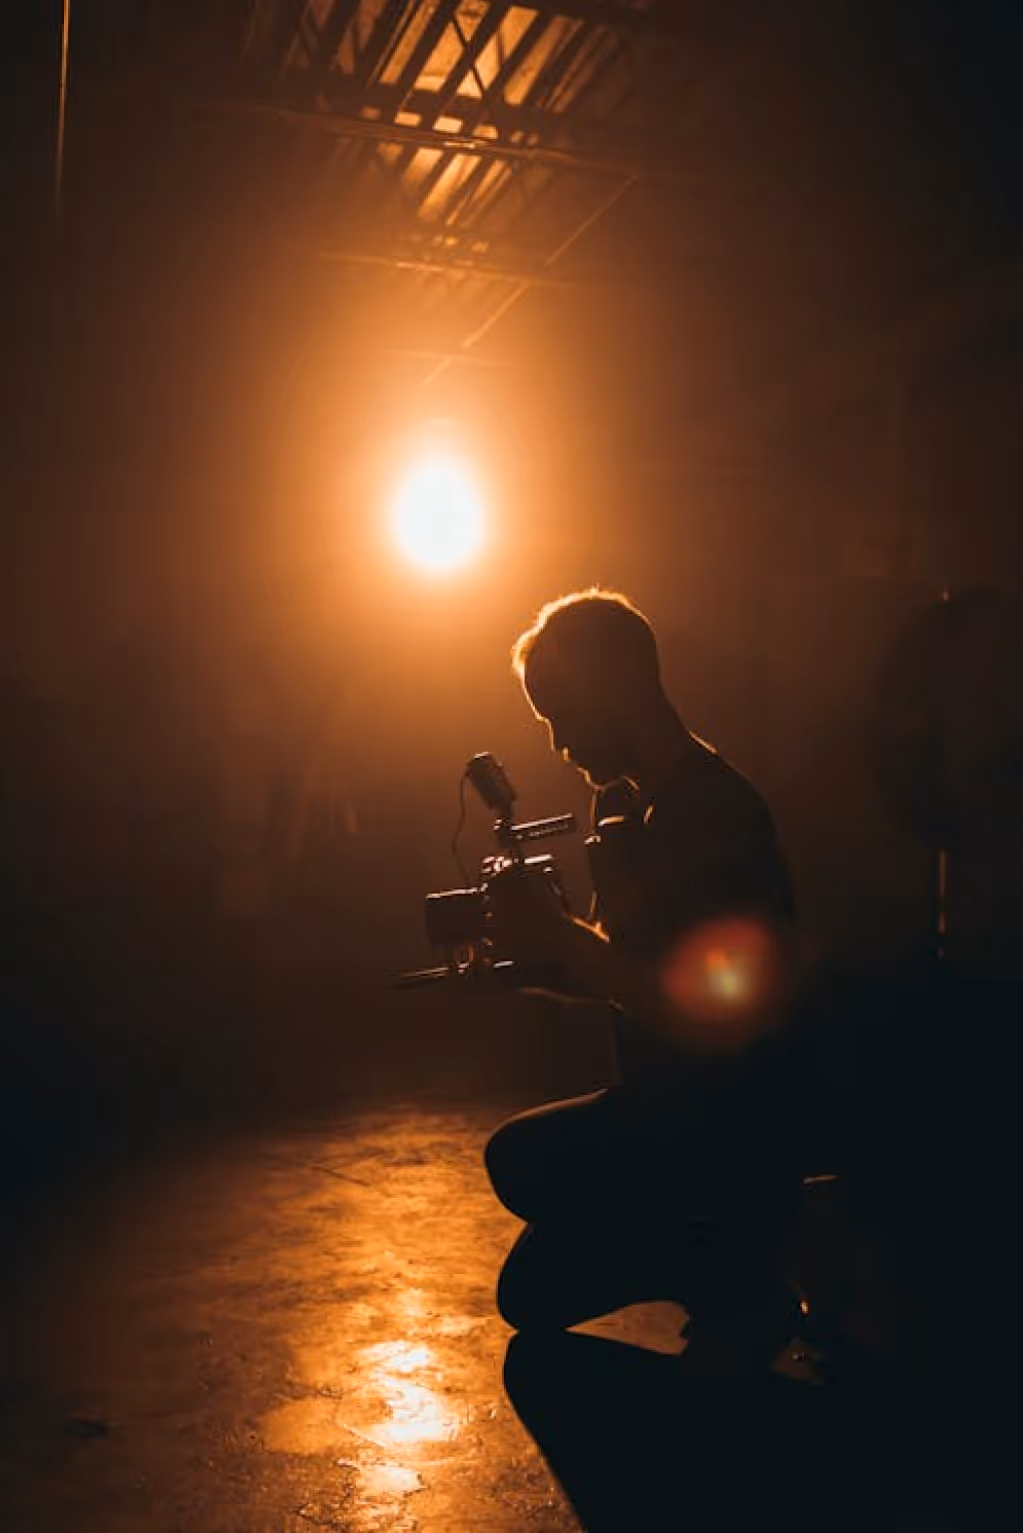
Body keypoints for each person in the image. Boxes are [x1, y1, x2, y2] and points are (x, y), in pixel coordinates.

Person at [484, 589, 804, 1372]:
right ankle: (702, 1255)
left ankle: (734, 1266)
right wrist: (524, 963)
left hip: (726, 1119)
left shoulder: (717, 812)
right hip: (663, 1105)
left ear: (617, 685)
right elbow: (629, 977)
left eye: (560, 712)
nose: (557, 742)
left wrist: (565, 942)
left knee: (523, 1164)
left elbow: (711, 1012)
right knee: (526, 1284)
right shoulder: (626, 810)